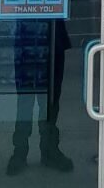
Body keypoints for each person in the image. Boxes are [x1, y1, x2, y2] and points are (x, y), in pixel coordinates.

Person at [7, 15, 73, 174]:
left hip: (51, 38)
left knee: (50, 102)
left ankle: (48, 150)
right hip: (27, 38)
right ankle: (20, 151)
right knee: (25, 100)